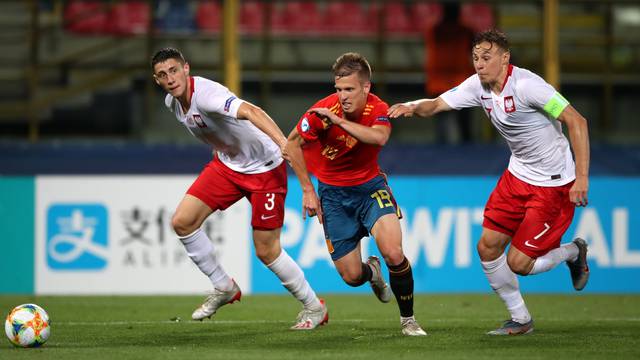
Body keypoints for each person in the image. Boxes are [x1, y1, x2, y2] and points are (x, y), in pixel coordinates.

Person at [388, 29, 591, 335]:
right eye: (475, 58)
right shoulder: (477, 87)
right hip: (517, 177)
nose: (479, 64)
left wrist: (582, 177)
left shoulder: (529, 87)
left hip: (553, 184)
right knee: (487, 247)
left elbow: (576, 121)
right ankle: (520, 320)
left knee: (520, 263)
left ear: (505, 58)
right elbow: (438, 104)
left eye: (486, 57)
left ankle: (574, 252)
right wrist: (413, 106)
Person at [151, 47, 327, 330]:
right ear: (157, 80)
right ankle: (224, 286)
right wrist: (222, 150)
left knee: (267, 250)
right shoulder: (172, 103)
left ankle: (314, 307)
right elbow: (214, 130)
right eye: (162, 75)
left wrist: (283, 143)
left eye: (173, 70)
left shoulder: (207, 95)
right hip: (228, 166)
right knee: (182, 222)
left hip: (265, 168)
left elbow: (251, 111)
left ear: (186, 68)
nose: (170, 78)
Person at [284, 52, 427, 336]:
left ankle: (408, 320)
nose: (342, 96)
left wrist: (337, 122)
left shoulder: (377, 108)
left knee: (394, 253)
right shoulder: (322, 111)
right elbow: (291, 145)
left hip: (370, 189)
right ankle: (371, 273)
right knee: (351, 276)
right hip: (334, 197)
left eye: (349, 89)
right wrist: (307, 190)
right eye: (338, 89)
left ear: (365, 88)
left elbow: (379, 137)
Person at [424, 2, 475, 144]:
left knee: (445, 123)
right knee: (460, 124)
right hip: (456, 82)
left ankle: (448, 152)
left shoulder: (434, 30)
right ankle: (467, 153)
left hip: (446, 81)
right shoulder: (465, 31)